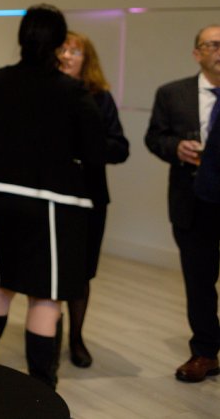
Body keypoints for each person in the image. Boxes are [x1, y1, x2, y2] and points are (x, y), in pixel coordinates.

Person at [0, 4, 104, 389]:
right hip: (55, 203)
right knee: (46, 296)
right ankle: (41, 393)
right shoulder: (73, 92)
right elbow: (95, 152)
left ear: (21, 38)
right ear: (60, 44)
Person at [145, 24, 220, 383]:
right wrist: (176, 147)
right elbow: (154, 138)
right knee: (199, 280)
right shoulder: (172, 94)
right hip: (193, 199)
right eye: (214, 44)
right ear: (197, 53)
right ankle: (205, 351)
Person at [58, 30, 129, 368]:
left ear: (87, 60)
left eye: (75, 51)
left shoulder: (100, 98)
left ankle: (76, 338)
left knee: (81, 273)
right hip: (51, 196)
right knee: (49, 271)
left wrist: (86, 145)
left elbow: (120, 148)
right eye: (62, 50)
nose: (67, 56)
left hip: (90, 197)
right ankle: (47, 336)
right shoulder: (44, 93)